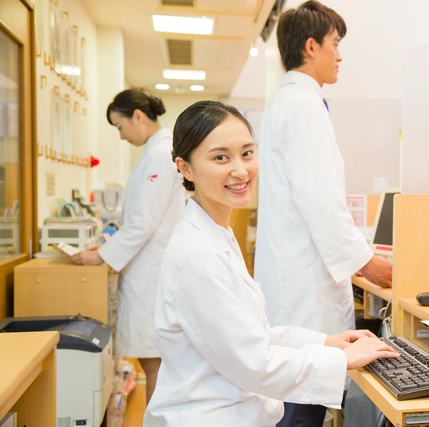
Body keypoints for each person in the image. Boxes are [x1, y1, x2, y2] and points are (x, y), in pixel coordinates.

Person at [143, 100, 397, 426]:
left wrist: (325, 342)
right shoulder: (198, 255)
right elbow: (255, 362)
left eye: (247, 153)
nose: (241, 170)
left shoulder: (215, 233)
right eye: (221, 157)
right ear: (185, 168)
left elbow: (251, 334)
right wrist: (340, 360)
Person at [254, 2, 393, 424]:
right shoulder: (302, 105)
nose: (340, 55)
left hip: (296, 278)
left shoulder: (291, 101)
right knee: (301, 404)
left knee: (296, 397)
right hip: (303, 289)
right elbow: (319, 199)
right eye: (335, 43)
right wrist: (366, 262)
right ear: (311, 47)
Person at [71, 88, 185, 404]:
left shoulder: (159, 154)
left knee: (153, 360)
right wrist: (103, 251)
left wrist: (102, 256)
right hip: (148, 267)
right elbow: (141, 220)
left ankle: (159, 422)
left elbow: (142, 223)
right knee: (153, 360)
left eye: (120, 127)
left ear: (137, 116)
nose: (121, 136)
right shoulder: (154, 152)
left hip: (152, 272)